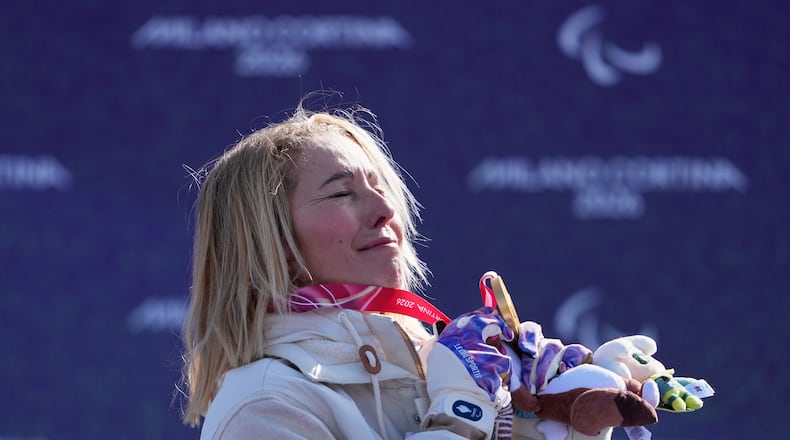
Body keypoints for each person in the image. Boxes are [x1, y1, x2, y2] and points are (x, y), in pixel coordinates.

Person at [180, 98, 613, 439]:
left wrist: (565, 412)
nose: (386, 209)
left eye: (380, 186)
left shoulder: (438, 366)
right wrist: (461, 413)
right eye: (340, 194)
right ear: (272, 241)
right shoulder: (266, 404)